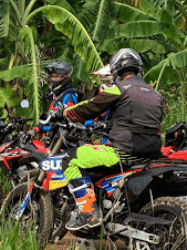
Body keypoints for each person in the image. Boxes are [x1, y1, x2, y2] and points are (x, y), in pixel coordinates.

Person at [58, 49, 164, 231]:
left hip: (124, 152)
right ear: (138, 69)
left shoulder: (119, 88)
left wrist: (67, 112)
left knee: (70, 159)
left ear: (116, 70)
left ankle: (89, 213)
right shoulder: (156, 94)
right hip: (151, 154)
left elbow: (91, 107)